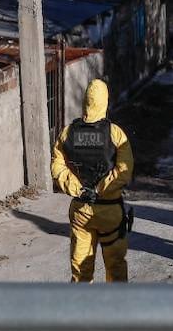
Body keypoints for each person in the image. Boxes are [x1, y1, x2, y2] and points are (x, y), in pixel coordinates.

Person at [51, 79, 134, 282]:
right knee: (115, 266)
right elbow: (124, 171)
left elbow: (57, 166)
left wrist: (79, 189)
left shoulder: (67, 132)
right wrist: (100, 189)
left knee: (80, 267)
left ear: (85, 101)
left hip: (80, 209)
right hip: (110, 211)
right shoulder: (115, 133)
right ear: (105, 102)